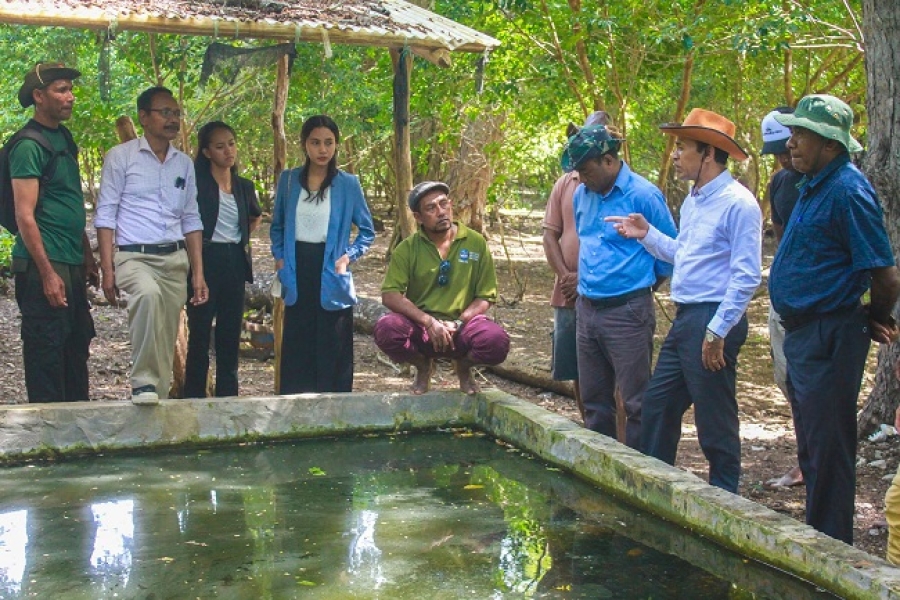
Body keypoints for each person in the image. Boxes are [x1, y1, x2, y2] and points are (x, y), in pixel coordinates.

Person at [607, 108, 762, 493]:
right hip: (687, 318)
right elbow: (686, 255)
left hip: (712, 318)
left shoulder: (737, 203)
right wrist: (646, 234)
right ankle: (654, 490)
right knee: (658, 407)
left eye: (683, 148)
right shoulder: (694, 201)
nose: (675, 156)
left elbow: (746, 275)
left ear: (708, 153)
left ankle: (727, 499)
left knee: (715, 418)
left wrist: (718, 330)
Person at [769, 94, 900, 543]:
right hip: (808, 334)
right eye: (792, 134)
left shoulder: (847, 190)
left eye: (802, 135)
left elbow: (885, 274)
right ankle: (820, 541)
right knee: (814, 443)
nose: (793, 143)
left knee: (828, 448)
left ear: (831, 144)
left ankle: (832, 551)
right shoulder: (813, 184)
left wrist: (874, 316)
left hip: (830, 334)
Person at [559, 122, 676, 449]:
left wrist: (639, 291)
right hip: (587, 309)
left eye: (586, 170)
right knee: (594, 400)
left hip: (627, 311)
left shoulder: (643, 195)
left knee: (637, 402)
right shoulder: (583, 194)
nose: (581, 178)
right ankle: (602, 467)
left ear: (609, 161)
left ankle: (639, 474)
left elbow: (669, 252)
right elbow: (588, 242)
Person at [95, 86, 209, 405]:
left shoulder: (183, 164)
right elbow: (105, 215)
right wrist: (108, 270)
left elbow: (191, 219)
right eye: (165, 113)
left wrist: (198, 273)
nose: (173, 119)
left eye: (176, 113)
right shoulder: (121, 157)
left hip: (174, 259)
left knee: (165, 331)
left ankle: (155, 398)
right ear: (144, 117)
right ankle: (143, 381)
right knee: (146, 295)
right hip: (134, 257)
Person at [10, 62, 97, 403]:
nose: (70, 97)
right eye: (61, 90)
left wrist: (87, 256)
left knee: (76, 349)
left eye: (70, 90)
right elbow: (24, 215)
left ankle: (77, 436)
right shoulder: (28, 146)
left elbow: (69, 203)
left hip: (71, 261)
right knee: (46, 352)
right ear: (38, 96)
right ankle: (47, 440)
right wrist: (47, 273)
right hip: (42, 265)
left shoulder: (64, 138)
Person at [270, 115, 375, 394]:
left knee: (333, 336)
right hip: (296, 265)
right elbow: (277, 225)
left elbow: (367, 230)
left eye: (328, 142)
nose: (322, 149)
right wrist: (280, 258)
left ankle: (334, 402)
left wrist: (347, 258)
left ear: (336, 145)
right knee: (298, 335)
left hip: (332, 268)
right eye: (315, 142)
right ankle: (294, 402)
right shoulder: (289, 181)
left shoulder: (348, 184)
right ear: (305, 145)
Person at [374, 181, 510, 395]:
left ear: (451, 205)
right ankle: (422, 365)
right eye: (431, 208)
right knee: (387, 329)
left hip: (463, 327)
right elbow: (390, 295)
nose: (441, 212)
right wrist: (428, 322)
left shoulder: (476, 243)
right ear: (418, 217)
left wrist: (458, 322)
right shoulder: (407, 248)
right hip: (423, 329)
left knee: (496, 341)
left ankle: (464, 367)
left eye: (443, 204)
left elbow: (486, 296)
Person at [183, 121, 262, 398]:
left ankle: (228, 398)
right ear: (206, 152)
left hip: (235, 261)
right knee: (200, 334)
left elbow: (254, 215)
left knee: (230, 335)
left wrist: (240, 237)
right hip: (205, 258)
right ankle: (192, 398)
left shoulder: (243, 186)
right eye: (219, 146)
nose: (228, 151)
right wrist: (197, 272)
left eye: (231, 143)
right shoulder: (196, 184)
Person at [542, 111, 608, 421]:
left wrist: (587, 278)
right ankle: (590, 427)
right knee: (579, 369)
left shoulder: (617, 185)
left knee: (613, 372)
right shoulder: (564, 183)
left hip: (605, 292)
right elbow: (550, 233)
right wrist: (565, 276)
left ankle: (622, 440)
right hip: (567, 293)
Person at [759, 107, 805, 490]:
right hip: (786, 296)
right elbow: (782, 236)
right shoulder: (780, 184)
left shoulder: (835, 186)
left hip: (820, 306)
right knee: (788, 379)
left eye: (789, 147)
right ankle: (803, 458)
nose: (786, 157)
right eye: (779, 152)